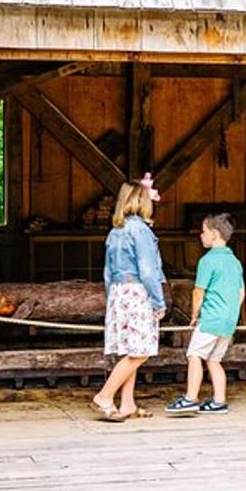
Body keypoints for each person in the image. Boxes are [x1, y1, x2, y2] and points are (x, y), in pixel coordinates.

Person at [91, 176, 166, 422]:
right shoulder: (141, 230)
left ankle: (127, 404)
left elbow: (106, 272)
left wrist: (112, 298)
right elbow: (147, 270)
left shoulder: (116, 231)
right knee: (140, 351)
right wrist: (158, 301)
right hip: (137, 292)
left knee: (130, 350)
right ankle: (104, 395)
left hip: (118, 293)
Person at [166, 213, 244, 416]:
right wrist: (232, 312)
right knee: (214, 360)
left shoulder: (207, 261)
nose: (201, 235)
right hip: (228, 319)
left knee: (194, 355)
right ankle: (219, 401)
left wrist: (194, 314)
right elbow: (241, 293)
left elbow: (198, 291)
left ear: (215, 234)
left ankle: (190, 398)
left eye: (204, 231)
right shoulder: (235, 262)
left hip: (211, 318)